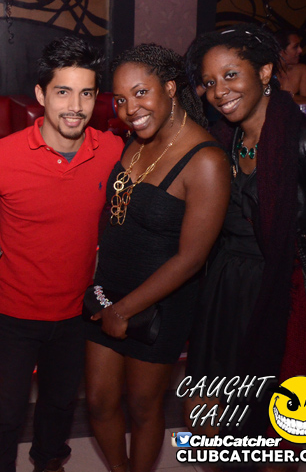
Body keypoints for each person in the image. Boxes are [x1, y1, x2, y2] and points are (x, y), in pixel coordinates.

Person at [185, 23, 306, 443]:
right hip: (226, 292)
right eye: (209, 82)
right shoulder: (222, 141)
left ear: (265, 72)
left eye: (230, 75)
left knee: (278, 433)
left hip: (286, 296)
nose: (220, 91)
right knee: (208, 422)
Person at [0, 36, 125, 472]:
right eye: (63, 92)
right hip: (13, 313)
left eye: (86, 93)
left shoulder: (112, 152)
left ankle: (48, 464)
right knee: (4, 413)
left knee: (60, 407)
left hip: (77, 314)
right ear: (41, 95)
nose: (75, 106)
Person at [83, 44, 229, 472]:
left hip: (160, 305)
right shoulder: (138, 139)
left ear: (169, 87)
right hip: (107, 293)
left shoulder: (206, 161)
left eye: (141, 93)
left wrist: (124, 311)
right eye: (120, 99)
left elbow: (191, 259)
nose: (131, 109)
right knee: (99, 401)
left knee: (143, 407)